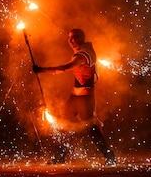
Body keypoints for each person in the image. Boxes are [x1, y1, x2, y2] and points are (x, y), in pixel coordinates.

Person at [33, 28, 116, 166]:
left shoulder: (83, 55)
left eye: (75, 37)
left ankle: (109, 156)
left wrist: (42, 70)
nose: (71, 41)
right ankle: (60, 156)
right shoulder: (80, 52)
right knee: (63, 124)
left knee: (91, 128)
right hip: (75, 95)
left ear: (82, 38)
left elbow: (65, 68)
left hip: (85, 98)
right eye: (69, 38)